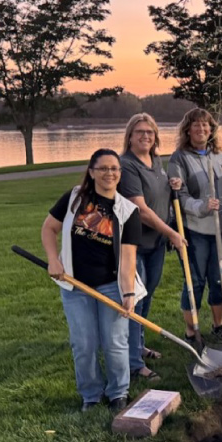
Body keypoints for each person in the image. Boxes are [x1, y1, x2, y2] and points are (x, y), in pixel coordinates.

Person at [41, 148, 142, 413]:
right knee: (83, 343)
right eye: (103, 168)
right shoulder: (74, 199)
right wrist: (54, 259)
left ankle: (119, 392)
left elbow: (129, 258)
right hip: (75, 285)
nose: (110, 173)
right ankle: (91, 395)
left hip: (111, 286)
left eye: (114, 169)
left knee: (115, 342)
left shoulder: (128, 211)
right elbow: (49, 228)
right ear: (92, 171)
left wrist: (128, 294)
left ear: (120, 174)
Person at [119, 112, 185, 381]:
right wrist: (172, 232)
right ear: (130, 137)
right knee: (135, 300)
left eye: (150, 132)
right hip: (134, 244)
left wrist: (173, 186)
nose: (146, 136)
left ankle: (138, 345)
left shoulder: (157, 161)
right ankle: (134, 364)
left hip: (156, 244)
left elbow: (161, 196)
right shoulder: (127, 165)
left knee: (147, 299)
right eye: (140, 132)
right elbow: (142, 210)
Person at [167, 108, 222, 344]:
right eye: (196, 125)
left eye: (205, 125)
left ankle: (218, 326)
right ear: (188, 129)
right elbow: (180, 196)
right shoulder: (179, 158)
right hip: (195, 231)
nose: (201, 129)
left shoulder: (219, 156)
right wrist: (202, 207)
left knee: (219, 279)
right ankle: (191, 330)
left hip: (221, 230)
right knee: (195, 281)